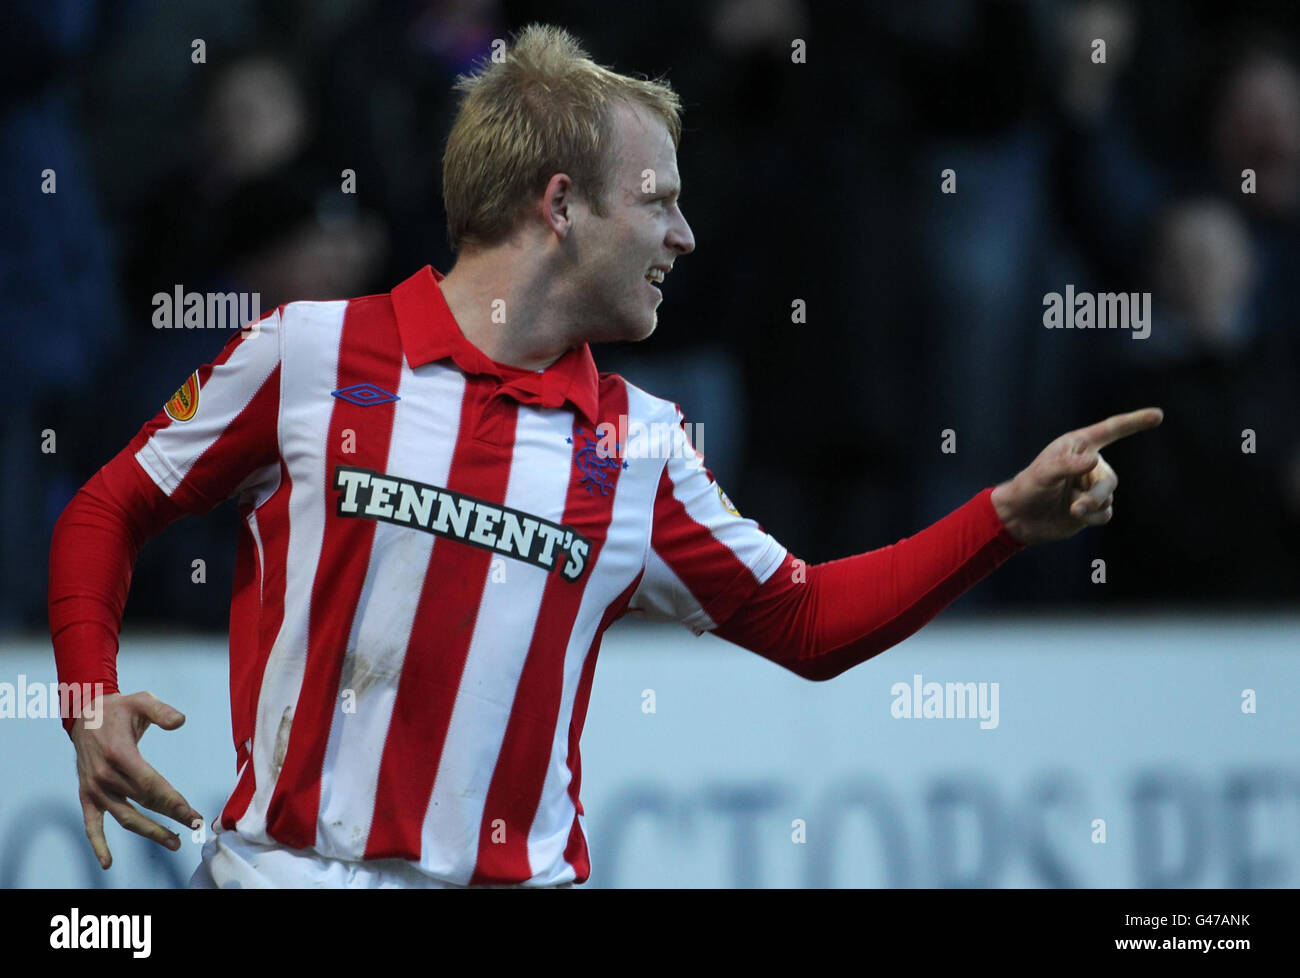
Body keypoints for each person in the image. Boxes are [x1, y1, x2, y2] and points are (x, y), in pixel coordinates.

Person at [48, 24, 1162, 888]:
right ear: (561, 205)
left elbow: (809, 623)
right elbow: (105, 510)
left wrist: (1004, 518)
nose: (683, 236)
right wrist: (88, 692)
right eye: (661, 201)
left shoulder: (641, 448)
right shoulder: (310, 353)